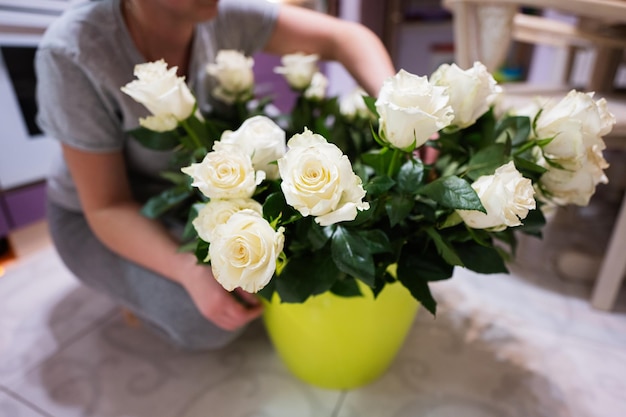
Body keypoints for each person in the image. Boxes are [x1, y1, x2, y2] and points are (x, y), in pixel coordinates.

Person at [35, 0, 396, 350]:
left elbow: (348, 38)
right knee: (204, 320)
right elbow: (106, 206)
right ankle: (134, 293)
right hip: (95, 215)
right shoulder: (74, 50)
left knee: (258, 274)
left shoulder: (220, 12)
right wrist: (190, 272)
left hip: (189, 192)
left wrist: (397, 111)